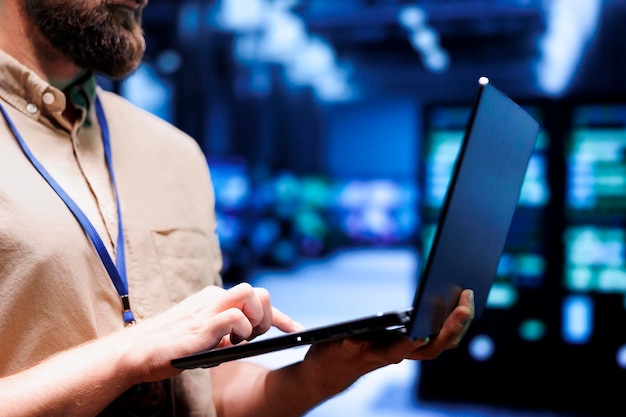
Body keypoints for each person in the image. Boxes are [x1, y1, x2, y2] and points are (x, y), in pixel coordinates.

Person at [0, 1, 475, 416]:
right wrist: (124, 357)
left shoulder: (175, 154)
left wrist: (324, 374)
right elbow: (135, 354)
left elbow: (210, 397)